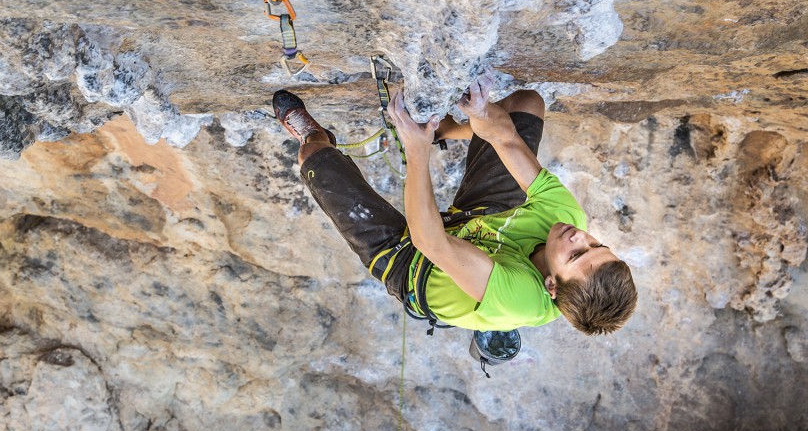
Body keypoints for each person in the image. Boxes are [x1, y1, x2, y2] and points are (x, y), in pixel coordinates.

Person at [272, 72, 637, 335]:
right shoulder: (566, 221)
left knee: (312, 156)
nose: (579, 237)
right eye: (597, 244)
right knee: (525, 104)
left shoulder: (519, 298)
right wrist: (479, 114)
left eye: (576, 256)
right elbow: (507, 140)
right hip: (481, 224)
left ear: (551, 287)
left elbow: (429, 242)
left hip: (413, 263)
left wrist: (417, 149)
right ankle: (446, 129)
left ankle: (316, 136)